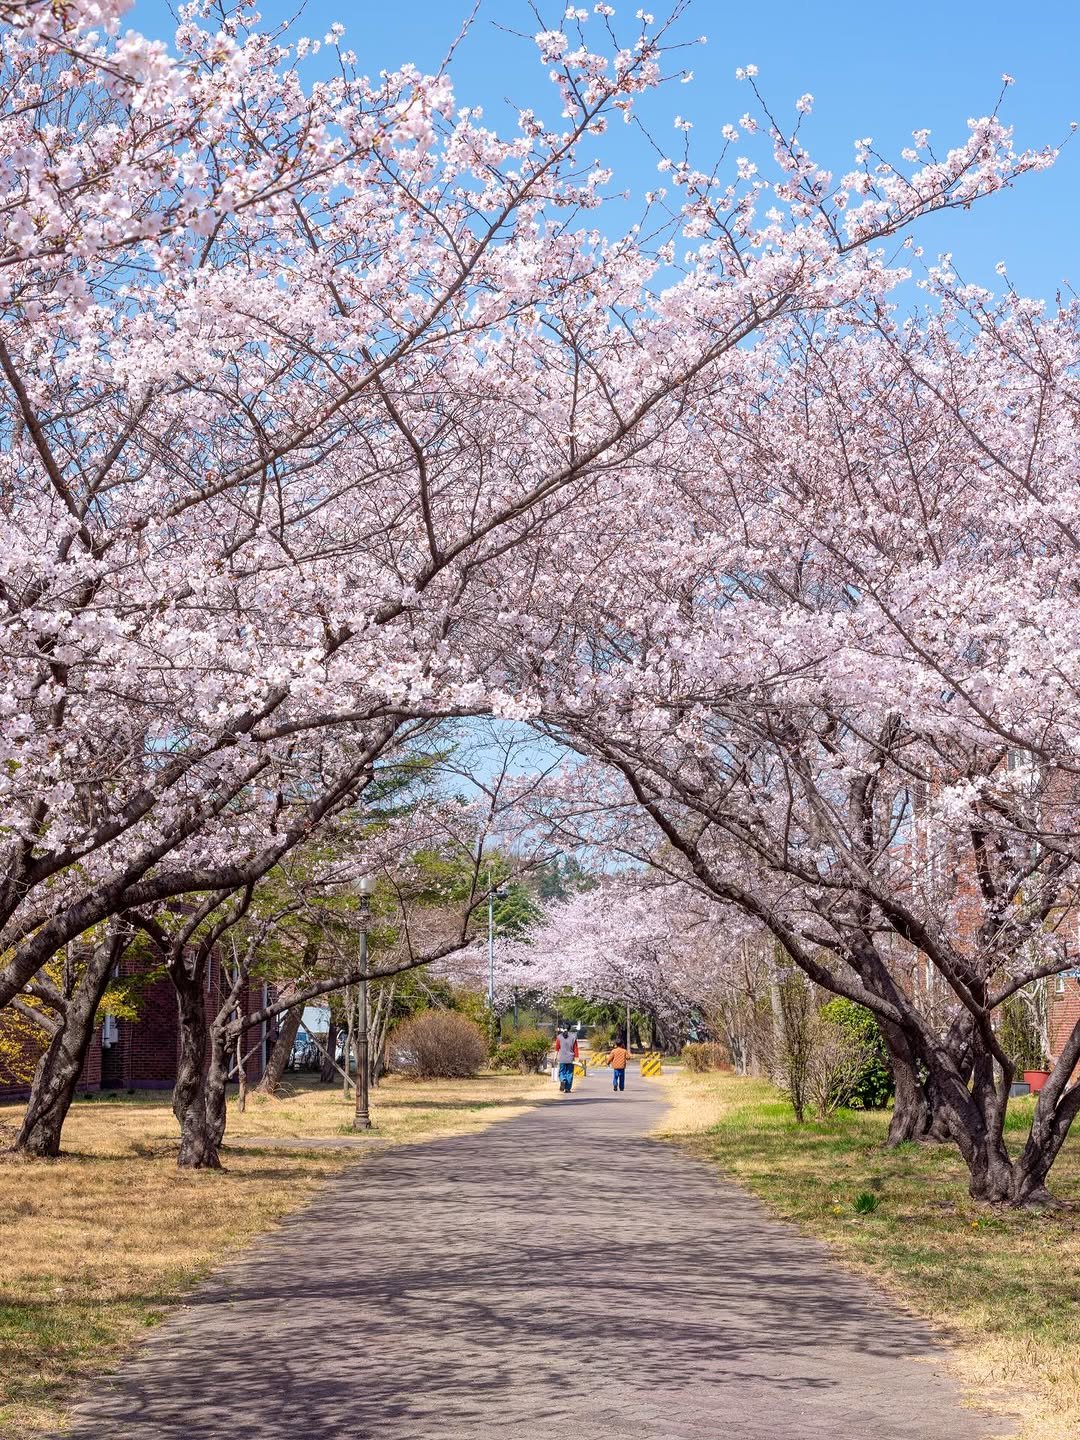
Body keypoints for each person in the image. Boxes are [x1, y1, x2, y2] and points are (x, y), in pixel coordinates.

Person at [553, 1026, 579, 1093]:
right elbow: (575, 1049)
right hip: (570, 1059)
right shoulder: (573, 1037)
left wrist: (555, 1057)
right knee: (569, 1073)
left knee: (562, 1072)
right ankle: (567, 1088)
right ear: (569, 1028)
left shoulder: (559, 1037)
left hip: (562, 1058)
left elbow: (557, 1048)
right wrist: (577, 1058)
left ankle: (563, 1080)